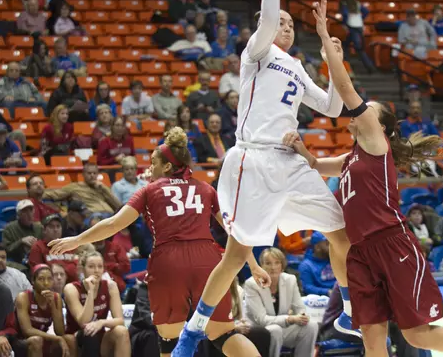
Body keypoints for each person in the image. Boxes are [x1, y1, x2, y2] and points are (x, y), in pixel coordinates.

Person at [173, 0, 356, 355]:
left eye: (292, 24)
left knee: (341, 231)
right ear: (265, 27)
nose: (286, 28)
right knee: (237, 256)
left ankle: (347, 311)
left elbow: (331, 107)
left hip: (289, 163)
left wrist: (334, 60)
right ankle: (194, 330)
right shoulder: (256, 54)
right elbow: (270, 22)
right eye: (281, 23)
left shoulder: (295, 66)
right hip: (253, 160)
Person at [282, 0, 443, 357]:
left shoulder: (377, 147)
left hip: (391, 243)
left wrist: (326, 37)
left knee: (416, 335)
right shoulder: (352, 156)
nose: (362, 109)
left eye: (369, 108)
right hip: (361, 253)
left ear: (381, 126)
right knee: (372, 340)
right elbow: (317, 165)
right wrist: (302, 151)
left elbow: (345, 92)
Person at [48, 127, 268, 357]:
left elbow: (113, 224)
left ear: (167, 167)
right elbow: (235, 231)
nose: (149, 168)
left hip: (169, 261)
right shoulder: (205, 189)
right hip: (208, 260)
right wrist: (253, 265)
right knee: (224, 334)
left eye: (153, 162)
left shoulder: (149, 191)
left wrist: (77, 239)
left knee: (169, 342)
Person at [244, 248, 318, 357]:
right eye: (268, 263)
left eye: (277, 262)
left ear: (282, 265)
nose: (273, 267)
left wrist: (302, 316)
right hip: (260, 330)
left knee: (311, 326)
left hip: (282, 328)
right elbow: (261, 319)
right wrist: (289, 319)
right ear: (261, 266)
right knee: (276, 330)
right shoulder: (252, 284)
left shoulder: (290, 280)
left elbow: (300, 307)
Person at [63, 251, 129, 356]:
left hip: (100, 334)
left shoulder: (110, 286)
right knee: (89, 331)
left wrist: (101, 323)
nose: (96, 271)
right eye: (91, 267)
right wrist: (90, 291)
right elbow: (84, 321)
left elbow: (120, 321)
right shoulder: (71, 288)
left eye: (100, 266)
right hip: (77, 336)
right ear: (82, 269)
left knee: (121, 331)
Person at [15, 264, 76, 356]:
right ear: (33, 281)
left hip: (43, 338)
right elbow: (27, 331)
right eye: (41, 279)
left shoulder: (56, 297)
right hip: (22, 341)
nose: (46, 283)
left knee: (69, 339)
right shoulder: (23, 297)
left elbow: (60, 332)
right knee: (36, 340)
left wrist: (53, 307)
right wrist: (56, 338)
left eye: (49, 279)